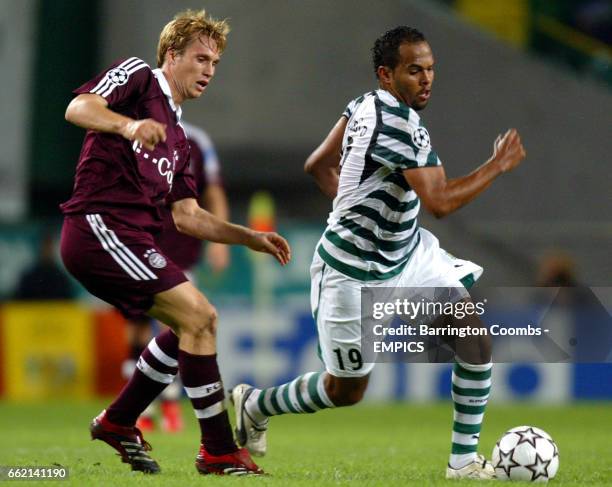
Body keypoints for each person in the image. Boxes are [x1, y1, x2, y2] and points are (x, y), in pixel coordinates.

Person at [231, 26, 525, 480]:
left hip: (407, 259)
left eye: (430, 69)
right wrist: (497, 165)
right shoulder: (400, 127)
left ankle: (463, 462)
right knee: (346, 390)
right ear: (386, 74)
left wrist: (356, 208)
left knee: (474, 339)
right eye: (414, 71)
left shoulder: (363, 104)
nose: (426, 80)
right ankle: (256, 404)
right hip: (351, 274)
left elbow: (317, 164)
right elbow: (441, 203)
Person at [60, 9, 290, 476]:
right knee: (200, 317)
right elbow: (77, 108)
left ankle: (120, 420)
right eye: (201, 58)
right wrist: (127, 126)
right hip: (97, 226)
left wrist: (249, 237)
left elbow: (187, 217)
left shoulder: (180, 139)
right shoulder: (140, 77)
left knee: (193, 324)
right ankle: (219, 451)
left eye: (215, 63)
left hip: (129, 236)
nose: (209, 70)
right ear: (172, 55)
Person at [123, 121, 231, 434]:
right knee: (136, 327)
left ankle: (169, 401)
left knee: (180, 323)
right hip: (138, 243)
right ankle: (142, 408)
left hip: (180, 249)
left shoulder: (196, 140)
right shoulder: (131, 133)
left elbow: (213, 190)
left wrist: (218, 240)